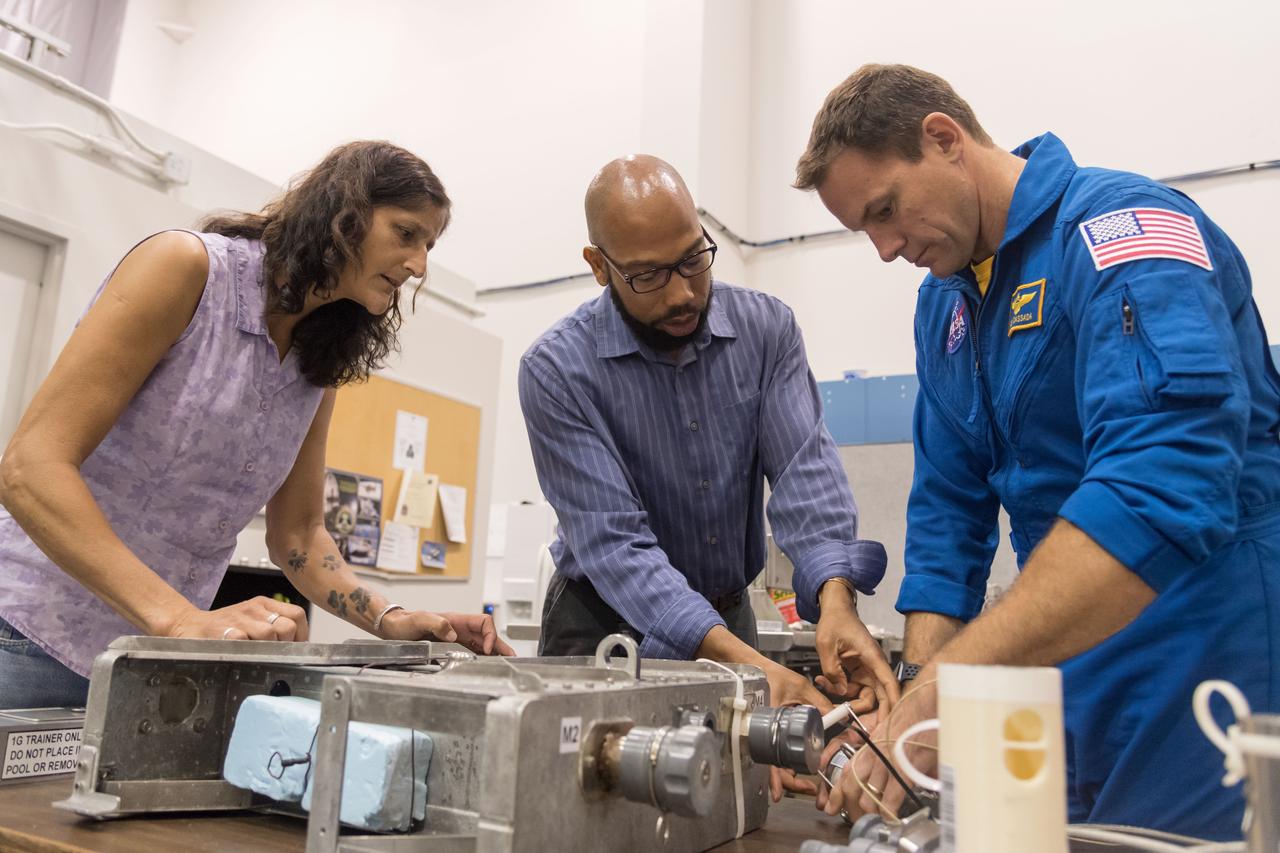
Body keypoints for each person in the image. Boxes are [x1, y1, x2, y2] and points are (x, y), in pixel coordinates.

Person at [794, 64, 1280, 839]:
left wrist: (947, 689)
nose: (885, 248)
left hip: (1203, 651)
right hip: (1061, 657)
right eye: (865, 231)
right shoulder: (945, 305)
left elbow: (1161, 488)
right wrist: (913, 713)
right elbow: (949, 516)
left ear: (944, 139)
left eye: (886, 210)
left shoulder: (1123, 230)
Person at [0, 140, 512, 711]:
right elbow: (31, 467)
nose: (419, 266)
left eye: (429, 245)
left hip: (145, 660)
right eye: (406, 233)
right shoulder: (187, 267)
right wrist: (178, 620)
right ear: (344, 214)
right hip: (25, 636)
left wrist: (391, 619)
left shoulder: (320, 358)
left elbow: (298, 536)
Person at [518, 154, 900, 797]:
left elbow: (806, 474)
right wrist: (751, 671)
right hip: (602, 624)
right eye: (646, 276)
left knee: (734, 803)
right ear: (598, 266)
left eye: (693, 259)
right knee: (581, 809)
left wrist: (835, 599)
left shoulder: (766, 330)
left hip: (728, 613)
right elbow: (615, 544)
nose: (681, 294)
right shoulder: (556, 371)